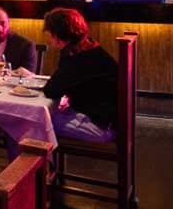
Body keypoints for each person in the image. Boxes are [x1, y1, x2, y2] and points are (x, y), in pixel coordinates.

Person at [41, 8, 119, 142]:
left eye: (50, 35)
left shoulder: (75, 56)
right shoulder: (90, 47)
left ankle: (33, 162)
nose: (49, 39)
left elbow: (51, 90)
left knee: (37, 122)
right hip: (109, 121)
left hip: (100, 127)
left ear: (57, 36)